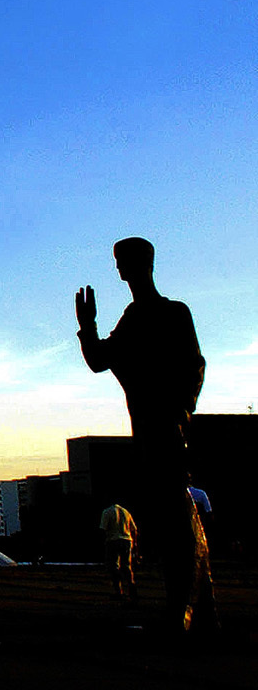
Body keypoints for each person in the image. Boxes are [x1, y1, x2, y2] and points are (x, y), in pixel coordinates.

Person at [77, 237, 217, 632]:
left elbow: (195, 368)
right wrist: (87, 328)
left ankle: (182, 613)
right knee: (178, 514)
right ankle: (203, 610)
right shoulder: (133, 318)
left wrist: (179, 413)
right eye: (117, 262)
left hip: (166, 429)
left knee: (174, 517)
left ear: (143, 265)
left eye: (123, 261)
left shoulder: (171, 313)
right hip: (150, 428)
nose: (119, 269)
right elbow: (100, 360)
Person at [100, 502, 139, 601]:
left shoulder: (107, 512)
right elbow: (134, 529)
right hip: (127, 539)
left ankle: (119, 591)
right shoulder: (126, 512)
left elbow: (103, 528)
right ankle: (131, 586)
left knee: (114, 566)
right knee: (127, 565)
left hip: (113, 540)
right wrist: (135, 544)